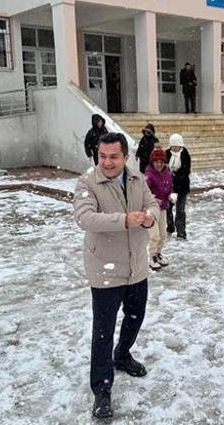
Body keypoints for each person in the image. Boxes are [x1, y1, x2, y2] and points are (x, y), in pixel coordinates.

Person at [72, 132, 159, 419]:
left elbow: (154, 204)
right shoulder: (87, 183)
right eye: (103, 156)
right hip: (106, 270)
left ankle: (122, 355)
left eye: (113, 156)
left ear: (125, 157)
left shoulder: (137, 179)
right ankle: (102, 389)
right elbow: (85, 218)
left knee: (136, 318)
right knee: (103, 331)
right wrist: (124, 220)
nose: (107, 162)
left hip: (137, 267)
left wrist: (150, 218)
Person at [144, 149, 173, 270]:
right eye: (156, 162)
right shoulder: (148, 175)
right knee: (154, 235)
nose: (159, 164)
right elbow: (144, 192)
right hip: (151, 209)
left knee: (162, 234)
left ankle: (158, 254)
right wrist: (154, 199)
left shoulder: (167, 173)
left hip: (163, 208)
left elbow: (170, 186)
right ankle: (152, 257)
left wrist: (171, 195)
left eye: (161, 162)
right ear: (152, 162)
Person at [165, 133, 191, 240]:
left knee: (180, 210)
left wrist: (174, 175)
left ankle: (181, 232)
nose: (175, 148)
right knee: (168, 208)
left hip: (181, 187)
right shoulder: (166, 154)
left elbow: (185, 171)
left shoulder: (185, 155)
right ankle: (170, 226)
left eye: (177, 146)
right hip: (170, 188)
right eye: (173, 146)